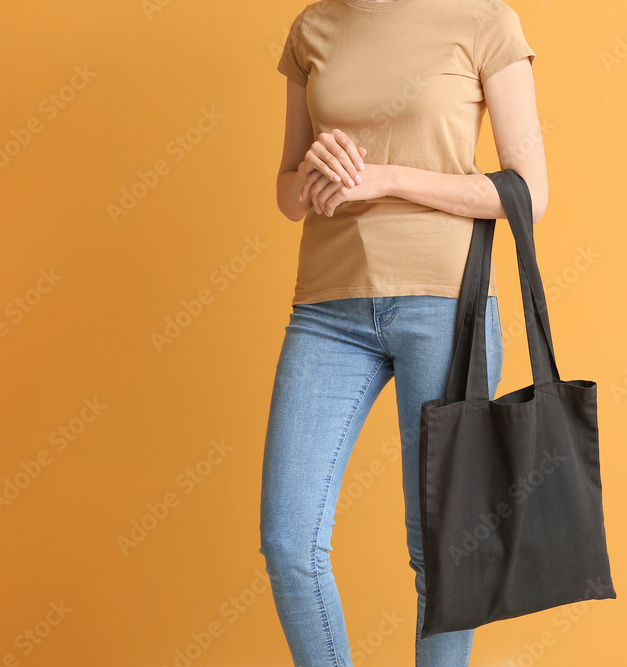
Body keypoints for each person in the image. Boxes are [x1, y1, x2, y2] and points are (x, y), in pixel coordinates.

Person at [259, 0, 548, 663]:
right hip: (328, 310)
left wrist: (384, 177)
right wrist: (313, 174)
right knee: (288, 541)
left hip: (445, 305)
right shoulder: (313, 27)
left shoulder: (485, 21)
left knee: (442, 551)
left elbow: (528, 191)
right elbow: (284, 192)